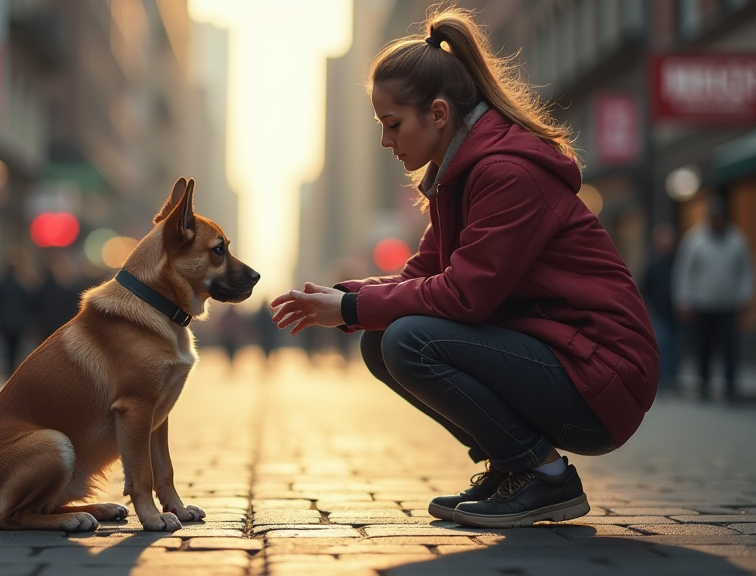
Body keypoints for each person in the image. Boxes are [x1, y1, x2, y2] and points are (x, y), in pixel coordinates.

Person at [271, 6, 659, 529]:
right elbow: (421, 275)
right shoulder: (461, 176)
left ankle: (545, 479)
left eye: (392, 125)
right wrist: (344, 299)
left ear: (437, 114)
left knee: (408, 340)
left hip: (603, 378)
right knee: (379, 337)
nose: (386, 141)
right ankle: (513, 468)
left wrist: (351, 305)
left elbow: (463, 296)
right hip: (564, 361)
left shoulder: (505, 173)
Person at [672, 196, 755, 401]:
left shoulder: (737, 240)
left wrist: (745, 295)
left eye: (720, 217)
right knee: (704, 348)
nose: (717, 221)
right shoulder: (695, 240)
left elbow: (746, 271)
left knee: (729, 348)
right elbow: (684, 272)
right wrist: (684, 299)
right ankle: (704, 386)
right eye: (714, 217)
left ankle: (731, 388)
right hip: (702, 304)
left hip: (728, 303)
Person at [640, 223, 681, 394]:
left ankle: (672, 378)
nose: (667, 246)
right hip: (659, 312)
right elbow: (643, 287)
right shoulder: (651, 263)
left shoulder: (679, 262)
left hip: (677, 311)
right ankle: (663, 380)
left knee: (676, 346)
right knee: (662, 345)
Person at [0, 262, 31, 375]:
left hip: (5, 324)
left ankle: (8, 370)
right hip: (18, 324)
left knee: (7, 349)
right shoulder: (21, 287)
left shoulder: (1, 287)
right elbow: (28, 305)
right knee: (16, 348)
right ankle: (12, 370)